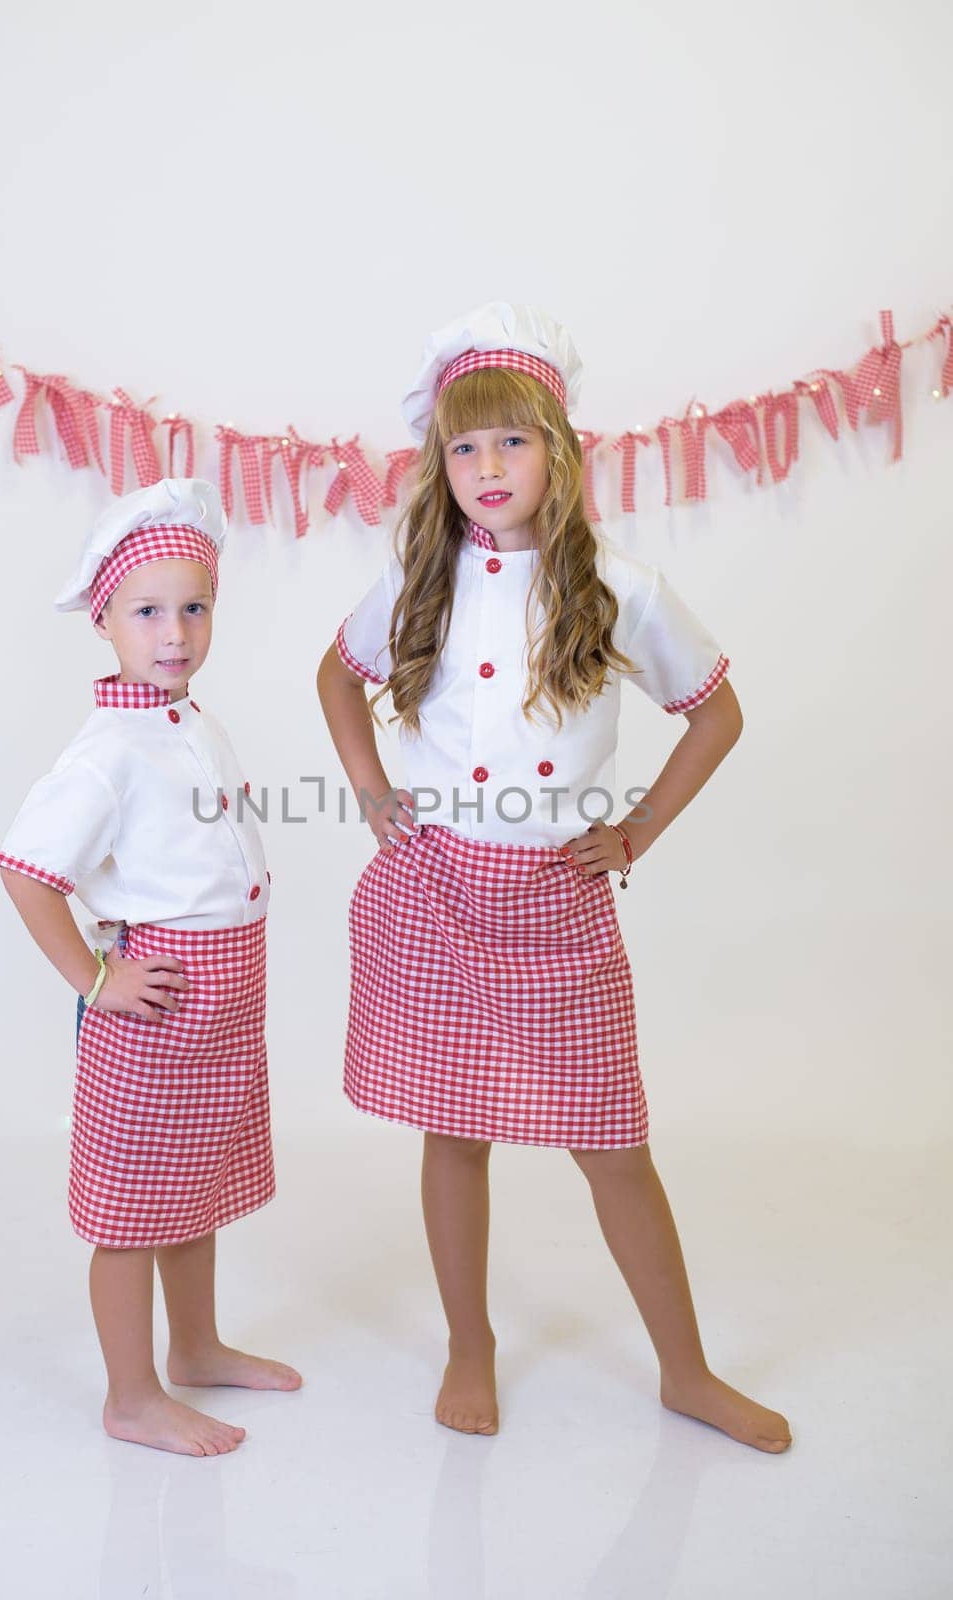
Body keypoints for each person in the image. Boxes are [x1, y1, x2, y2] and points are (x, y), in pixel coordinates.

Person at [316, 303, 791, 1453]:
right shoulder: (419, 576)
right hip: (433, 893)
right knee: (455, 1130)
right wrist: (374, 790)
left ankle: (685, 1367)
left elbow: (715, 713)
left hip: (553, 906)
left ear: (560, 451)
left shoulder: (619, 586)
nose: (488, 466)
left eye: (512, 441)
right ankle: (468, 1340)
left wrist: (633, 832)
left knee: (613, 1143)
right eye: (466, 444)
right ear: (441, 460)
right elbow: (336, 677)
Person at [0, 477, 301, 1457]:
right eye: (147, 611)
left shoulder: (188, 720)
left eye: (194, 606)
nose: (175, 631)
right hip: (155, 1010)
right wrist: (98, 976)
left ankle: (197, 1345)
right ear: (106, 620)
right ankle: (129, 1394)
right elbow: (27, 869)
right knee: (132, 1208)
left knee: (194, 1184)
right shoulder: (105, 753)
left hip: (220, 1006)